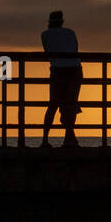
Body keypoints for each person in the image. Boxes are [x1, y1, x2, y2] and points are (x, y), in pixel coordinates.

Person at [41, 10, 82, 148]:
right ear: (62, 22)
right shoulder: (70, 33)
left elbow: (48, 53)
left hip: (58, 70)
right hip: (75, 70)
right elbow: (75, 50)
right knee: (70, 105)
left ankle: (45, 140)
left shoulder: (45, 34)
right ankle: (69, 138)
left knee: (53, 105)